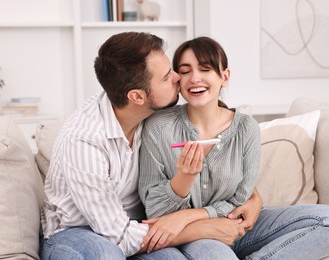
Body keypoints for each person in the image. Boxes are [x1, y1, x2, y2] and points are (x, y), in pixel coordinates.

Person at [39, 32, 263, 260]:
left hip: (138, 226)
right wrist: (201, 228)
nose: (179, 77)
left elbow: (227, 167)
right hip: (76, 233)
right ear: (137, 97)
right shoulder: (84, 141)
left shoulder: (150, 113)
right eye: (167, 77)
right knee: (105, 255)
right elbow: (119, 238)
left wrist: (254, 200)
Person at [138, 36, 329, 259]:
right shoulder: (158, 127)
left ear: (225, 76)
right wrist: (183, 178)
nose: (195, 78)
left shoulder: (246, 128)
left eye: (205, 69)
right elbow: (155, 210)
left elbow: (241, 199)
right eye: (185, 71)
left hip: (241, 226)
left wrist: (189, 215)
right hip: (194, 237)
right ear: (177, 80)